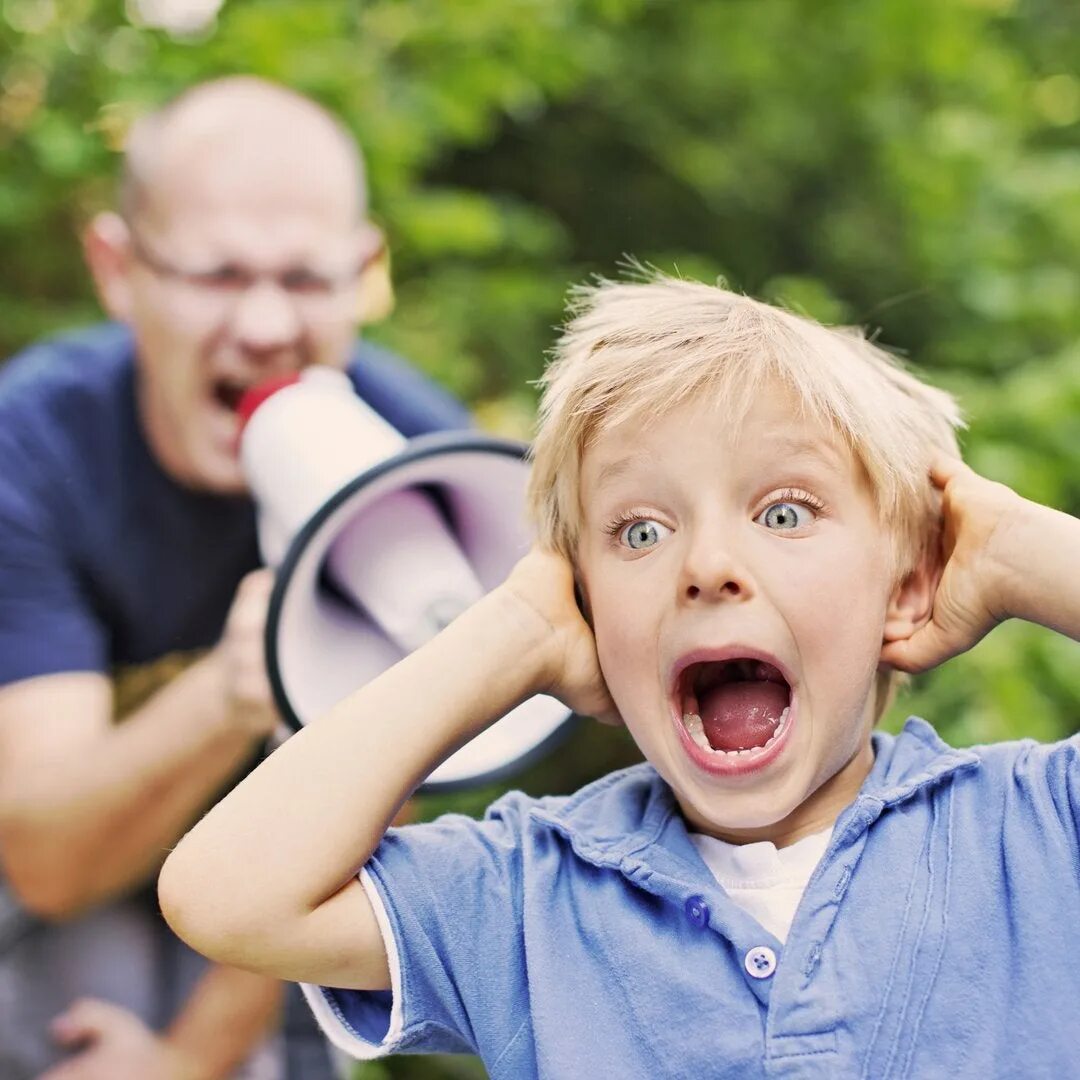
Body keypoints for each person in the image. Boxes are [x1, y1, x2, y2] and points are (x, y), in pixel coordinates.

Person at [158, 274, 1080, 1077]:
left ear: (908, 587)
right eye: (639, 531)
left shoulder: (1037, 829)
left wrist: (1018, 554)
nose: (706, 564)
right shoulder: (526, 892)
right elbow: (225, 897)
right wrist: (517, 631)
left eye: (786, 512)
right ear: (588, 609)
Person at [0, 76, 468, 1080]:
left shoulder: (425, 461)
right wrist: (233, 686)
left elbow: (362, 852)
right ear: (117, 270)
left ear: (363, 272)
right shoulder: (31, 450)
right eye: (217, 276)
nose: (264, 327)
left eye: (305, 281)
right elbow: (42, 860)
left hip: (273, 901)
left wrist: (185, 1064)